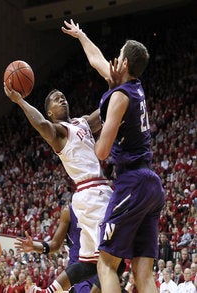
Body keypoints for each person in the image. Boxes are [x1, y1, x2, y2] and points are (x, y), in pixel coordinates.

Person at [62, 19, 165, 293]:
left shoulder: (118, 96)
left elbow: (101, 152)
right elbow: (97, 61)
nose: (113, 59)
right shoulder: (134, 87)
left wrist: (106, 100)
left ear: (125, 64)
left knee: (106, 263)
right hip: (152, 186)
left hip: (132, 183)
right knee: (143, 275)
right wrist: (82, 35)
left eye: (118, 56)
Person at [3, 78, 113, 292]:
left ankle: (49, 291)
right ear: (50, 113)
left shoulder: (83, 123)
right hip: (92, 194)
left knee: (90, 264)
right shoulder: (59, 132)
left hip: (92, 195)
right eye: (55, 99)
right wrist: (20, 101)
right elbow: (42, 125)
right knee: (112, 261)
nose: (61, 99)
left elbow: (105, 110)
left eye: (62, 96)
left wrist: (116, 84)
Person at [15, 204, 100, 293]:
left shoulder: (107, 204)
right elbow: (55, 244)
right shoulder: (69, 211)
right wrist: (34, 246)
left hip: (102, 267)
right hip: (78, 269)